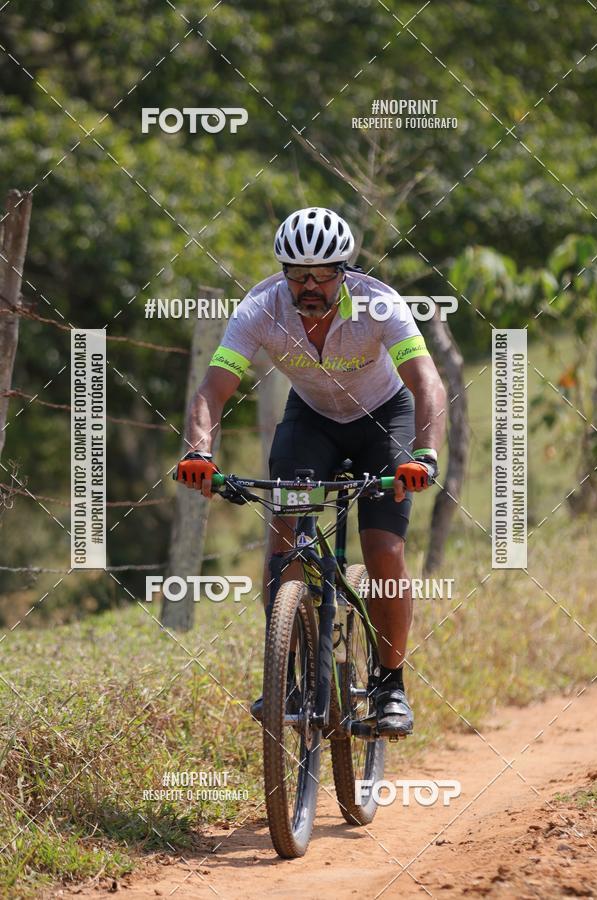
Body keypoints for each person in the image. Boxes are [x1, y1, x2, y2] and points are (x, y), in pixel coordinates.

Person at [175, 207, 446, 736]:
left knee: (383, 549)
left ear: (344, 271)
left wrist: (425, 455)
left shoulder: (379, 303)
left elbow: (427, 382)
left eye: (323, 274)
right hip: (312, 421)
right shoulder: (260, 308)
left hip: (383, 420)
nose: (310, 286)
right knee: (284, 540)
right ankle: (288, 677)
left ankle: (391, 684)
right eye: (297, 274)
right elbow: (211, 391)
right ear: (282, 272)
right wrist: (199, 454)